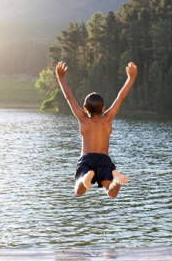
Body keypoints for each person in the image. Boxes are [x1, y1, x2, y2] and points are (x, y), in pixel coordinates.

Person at [55, 61, 138, 198]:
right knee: (111, 192)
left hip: (87, 159)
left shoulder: (83, 119)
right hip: (104, 159)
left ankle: (86, 176)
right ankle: (116, 181)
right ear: (103, 107)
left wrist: (61, 77)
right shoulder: (107, 119)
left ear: (85, 108)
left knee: (79, 190)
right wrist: (131, 78)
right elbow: (121, 97)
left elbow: (69, 97)